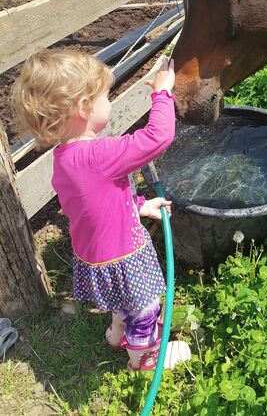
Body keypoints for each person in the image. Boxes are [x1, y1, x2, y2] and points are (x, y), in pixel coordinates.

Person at [12, 49, 191, 372]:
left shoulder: (63, 161)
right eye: (106, 95)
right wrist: (162, 93)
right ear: (84, 107)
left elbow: (96, 206)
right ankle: (145, 357)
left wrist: (138, 206)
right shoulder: (100, 154)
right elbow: (158, 137)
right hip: (125, 258)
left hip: (96, 260)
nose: (110, 101)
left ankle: (116, 331)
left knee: (123, 300)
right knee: (146, 307)